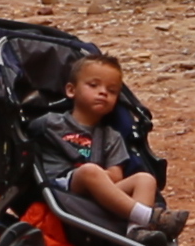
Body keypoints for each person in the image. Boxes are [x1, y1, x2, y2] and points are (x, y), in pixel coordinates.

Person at [38, 53, 177, 236]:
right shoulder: (50, 123)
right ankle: (148, 217)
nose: (103, 92)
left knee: (145, 179)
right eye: (93, 85)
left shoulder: (111, 136)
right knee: (90, 171)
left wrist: (101, 179)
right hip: (62, 188)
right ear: (71, 90)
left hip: (101, 194)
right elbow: (26, 139)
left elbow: (116, 175)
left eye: (112, 91)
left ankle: (137, 229)